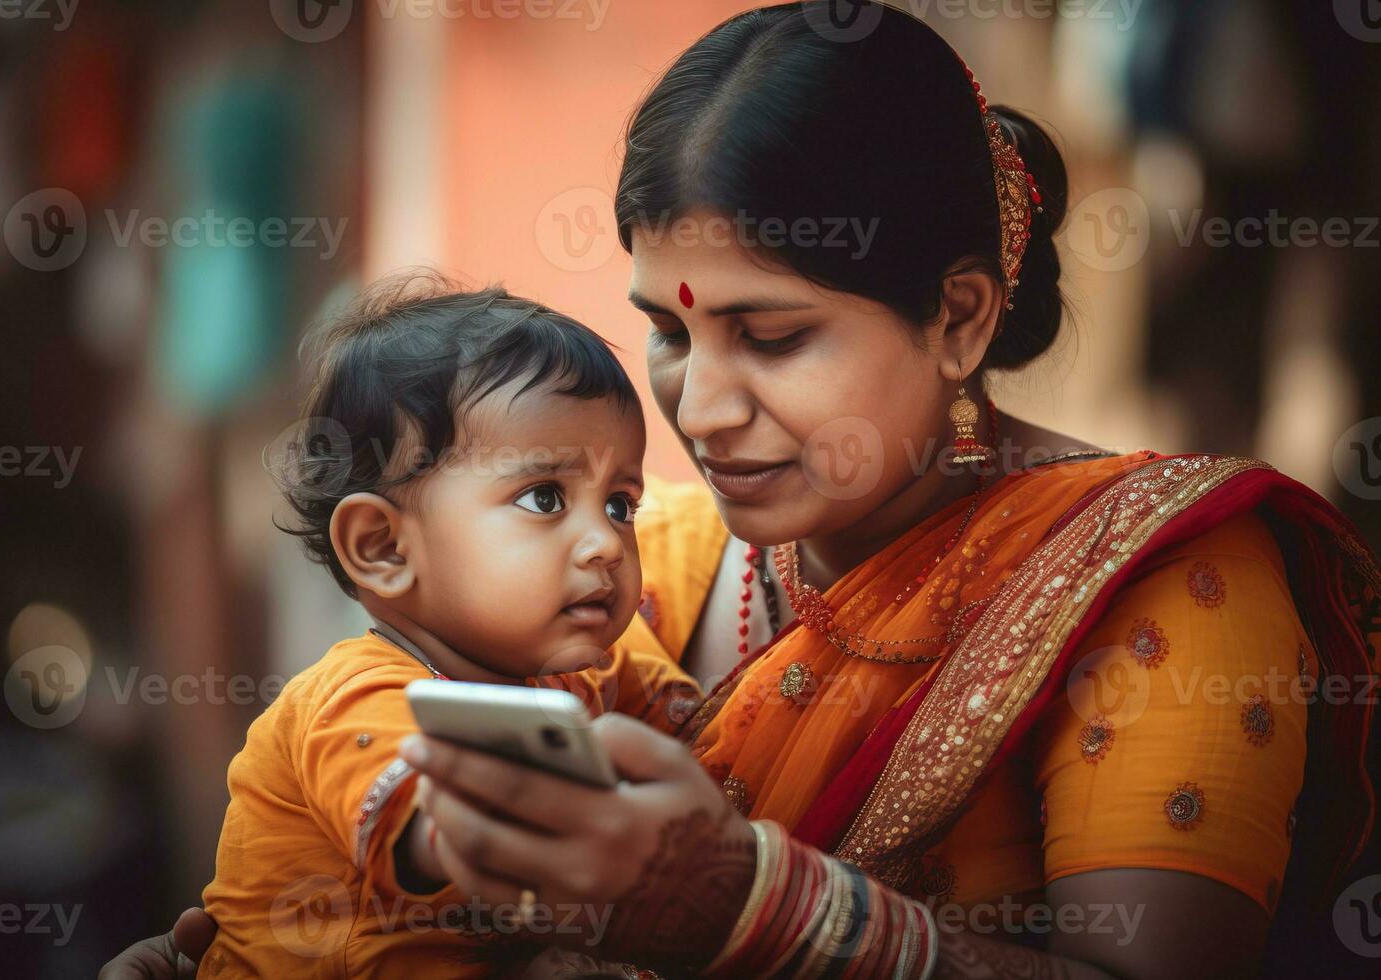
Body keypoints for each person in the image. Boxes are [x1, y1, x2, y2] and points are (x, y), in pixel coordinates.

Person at [104, 3, 1380, 977]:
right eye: (668, 329)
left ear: (958, 315)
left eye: (771, 338)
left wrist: (749, 904)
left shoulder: (1164, 583)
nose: (697, 410)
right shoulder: (634, 565)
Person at [190, 273, 695, 979]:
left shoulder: (584, 677)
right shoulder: (353, 699)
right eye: (546, 496)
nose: (606, 543)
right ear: (384, 548)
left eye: (620, 504)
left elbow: (707, 739)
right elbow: (425, 815)